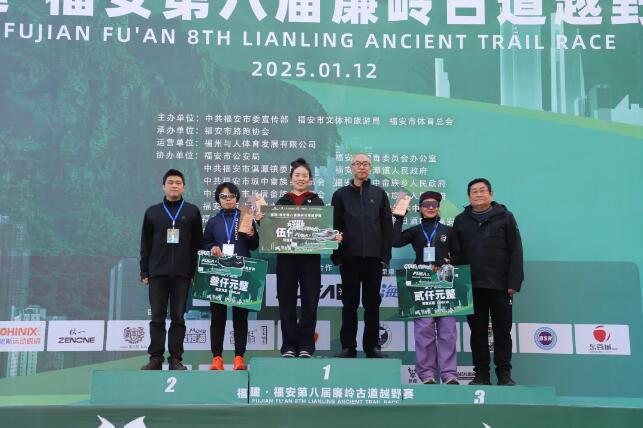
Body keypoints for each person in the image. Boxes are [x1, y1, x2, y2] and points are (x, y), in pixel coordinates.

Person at [452, 178, 523, 386]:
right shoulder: (460, 220)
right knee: (478, 333)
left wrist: (514, 281)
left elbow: (516, 250)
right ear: (469, 197)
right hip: (472, 286)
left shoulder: (506, 217)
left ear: (491, 194)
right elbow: (456, 253)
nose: (478, 194)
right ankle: (481, 374)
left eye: (482, 190)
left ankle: (504, 374)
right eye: (474, 191)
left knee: (502, 332)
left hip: (501, 286)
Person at [276, 158, 342, 358]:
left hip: (310, 260)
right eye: (297, 175)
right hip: (286, 259)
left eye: (304, 176)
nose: (301, 179)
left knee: (310, 302)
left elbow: (324, 231)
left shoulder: (317, 202)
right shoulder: (282, 202)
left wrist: (334, 236)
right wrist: (263, 220)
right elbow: (272, 232)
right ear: (291, 179)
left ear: (310, 180)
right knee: (286, 301)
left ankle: (306, 344)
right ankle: (289, 345)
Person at [393, 191, 459, 384]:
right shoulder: (415, 231)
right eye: (426, 205)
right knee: (424, 331)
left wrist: (445, 261)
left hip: (444, 281)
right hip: (420, 282)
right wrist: (399, 218)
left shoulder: (448, 231)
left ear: (438, 207)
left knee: (448, 330)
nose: (430, 208)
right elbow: (395, 241)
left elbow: (460, 255)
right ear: (420, 208)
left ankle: (449, 374)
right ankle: (427, 374)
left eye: (434, 205)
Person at [140, 169, 203, 370]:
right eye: (170, 182)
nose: (174, 185)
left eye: (178, 182)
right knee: (157, 317)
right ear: (163, 186)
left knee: (178, 317)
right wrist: (144, 271)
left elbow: (197, 245)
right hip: (157, 273)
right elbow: (145, 244)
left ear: (183, 187)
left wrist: (194, 272)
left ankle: (175, 358)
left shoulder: (192, 211)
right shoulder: (153, 212)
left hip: (183, 274)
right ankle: (155, 358)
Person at [331, 153, 393, 358]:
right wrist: (337, 256)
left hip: (374, 259)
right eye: (358, 164)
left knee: (372, 304)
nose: (362, 167)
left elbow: (386, 226)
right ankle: (348, 347)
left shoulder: (379, 193)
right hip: (349, 258)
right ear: (351, 167)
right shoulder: (340, 195)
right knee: (349, 304)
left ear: (370, 167)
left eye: (365, 163)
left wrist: (385, 256)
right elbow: (334, 226)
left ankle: (372, 346)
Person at [202, 182, 259, 371]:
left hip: (242, 272)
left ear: (237, 198)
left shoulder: (245, 216)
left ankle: (238, 359)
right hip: (219, 272)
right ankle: (217, 359)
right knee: (217, 317)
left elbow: (254, 245)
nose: (228, 200)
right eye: (224, 196)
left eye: (231, 196)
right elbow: (205, 242)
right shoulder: (213, 221)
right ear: (218, 199)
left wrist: (251, 234)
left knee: (240, 318)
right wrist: (212, 247)